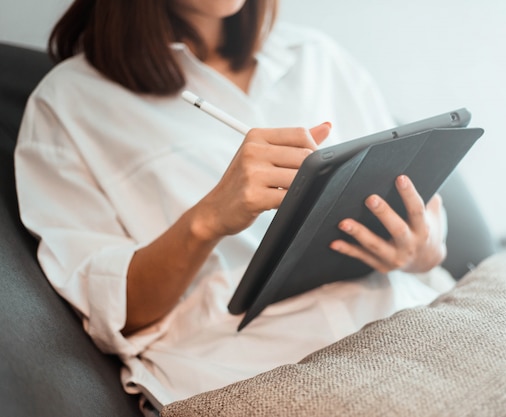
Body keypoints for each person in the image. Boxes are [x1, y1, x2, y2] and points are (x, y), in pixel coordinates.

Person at [14, 0, 451, 412]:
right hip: (253, 370)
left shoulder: (319, 57)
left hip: (411, 325)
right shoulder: (69, 104)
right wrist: (208, 219)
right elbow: (114, 314)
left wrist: (420, 251)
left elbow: (426, 228)